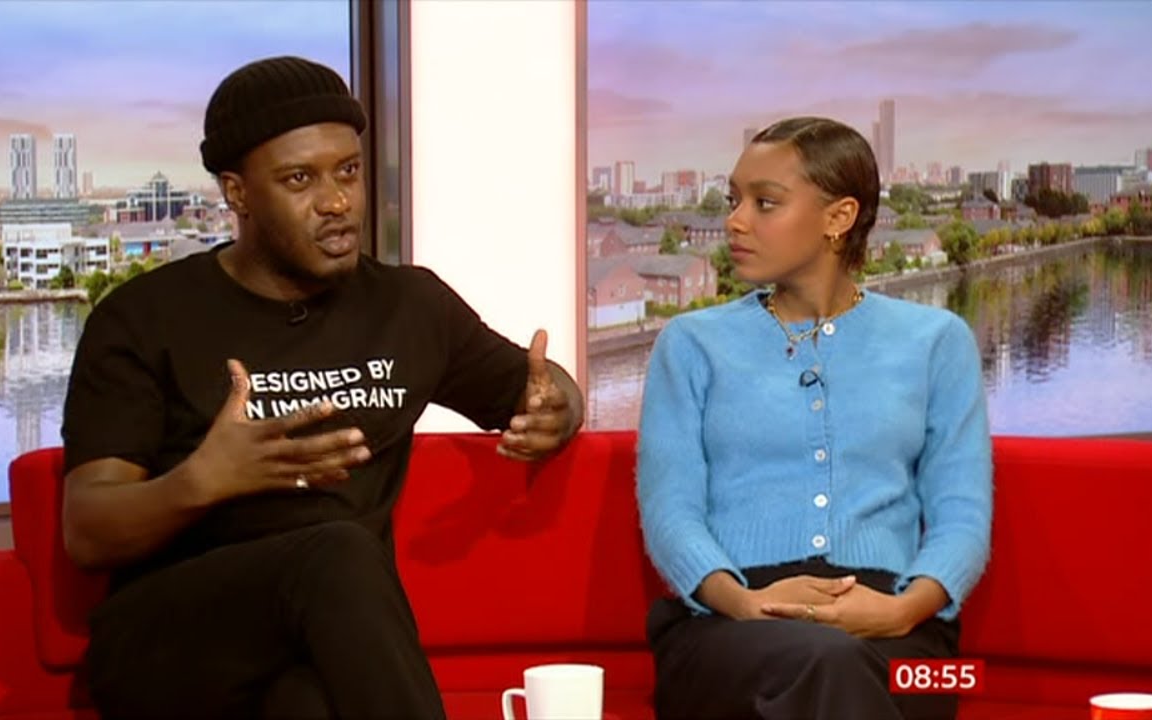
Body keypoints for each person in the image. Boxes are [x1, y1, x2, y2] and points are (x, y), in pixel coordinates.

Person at [60, 56, 583, 720]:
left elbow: (544, 389)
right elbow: (88, 531)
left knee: (309, 703)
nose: (336, 201)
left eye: (348, 171)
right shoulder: (145, 318)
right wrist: (202, 481)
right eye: (299, 179)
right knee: (337, 550)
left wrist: (558, 408)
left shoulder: (409, 307)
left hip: (328, 639)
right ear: (237, 193)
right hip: (167, 641)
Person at [635, 117, 992, 720]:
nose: (735, 221)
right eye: (733, 200)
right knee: (829, 664)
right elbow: (671, 512)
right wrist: (744, 602)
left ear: (839, 217)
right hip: (726, 628)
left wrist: (901, 610)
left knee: (869, 672)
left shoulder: (938, 342)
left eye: (764, 202)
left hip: (904, 636)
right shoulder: (691, 344)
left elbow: (962, 515)